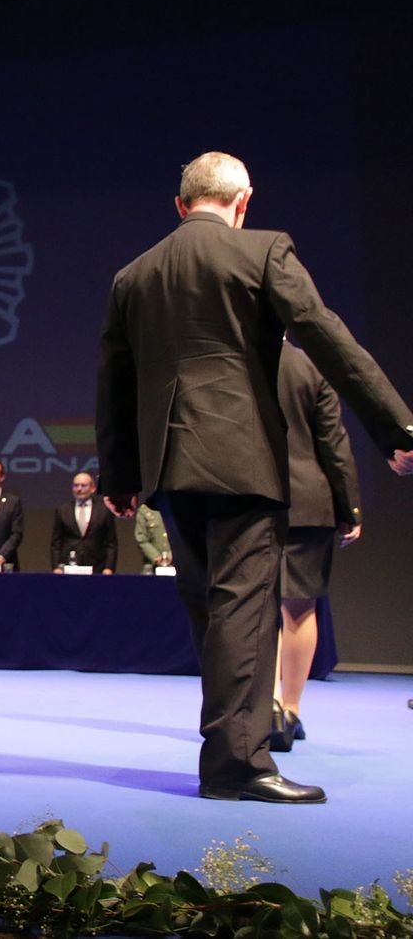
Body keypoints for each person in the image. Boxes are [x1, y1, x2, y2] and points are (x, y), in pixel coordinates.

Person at [96, 151, 413, 804]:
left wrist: (120, 474)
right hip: (241, 460)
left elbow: (115, 383)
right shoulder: (264, 251)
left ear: (181, 205)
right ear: (243, 203)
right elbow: (324, 335)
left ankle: (229, 749)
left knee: (211, 613)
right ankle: (238, 765)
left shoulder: (134, 274)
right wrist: (395, 426)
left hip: (168, 466)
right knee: (242, 608)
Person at [271, 342, 362, 751]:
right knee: (299, 607)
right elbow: (333, 442)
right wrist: (350, 507)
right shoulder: (309, 365)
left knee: (251, 610)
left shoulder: (229, 357)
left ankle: (265, 706)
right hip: (308, 500)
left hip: (244, 502)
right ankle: (289, 710)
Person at [49, 471, 117, 573]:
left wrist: (109, 568)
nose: (79, 489)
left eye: (83, 485)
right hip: (69, 566)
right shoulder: (62, 510)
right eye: (76, 485)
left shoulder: (104, 510)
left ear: (93, 488)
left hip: (97, 566)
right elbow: (56, 543)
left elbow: (111, 543)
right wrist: (56, 567)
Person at [134, 505, 172, 569]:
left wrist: (171, 555)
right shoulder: (145, 510)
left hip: (177, 563)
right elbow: (141, 538)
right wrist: (156, 557)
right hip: (152, 566)